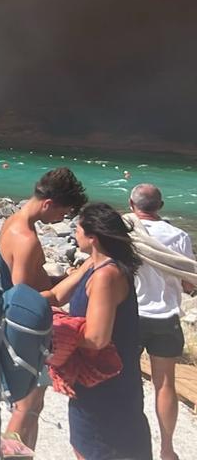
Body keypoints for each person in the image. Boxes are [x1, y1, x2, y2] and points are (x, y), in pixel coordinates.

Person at [42, 203, 151, 459]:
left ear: (93, 236)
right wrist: (18, 302)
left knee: (102, 449)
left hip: (107, 385)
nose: (74, 233)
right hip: (89, 381)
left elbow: (96, 337)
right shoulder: (93, 263)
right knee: (85, 444)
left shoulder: (106, 275)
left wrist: (54, 331)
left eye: (78, 228)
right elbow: (57, 295)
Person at [0, 167, 86, 452]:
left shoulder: (13, 222)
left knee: (33, 406)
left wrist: (56, 279)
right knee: (25, 406)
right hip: (28, 330)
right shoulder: (26, 239)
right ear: (48, 203)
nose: (62, 218)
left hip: (23, 326)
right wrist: (77, 277)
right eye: (63, 212)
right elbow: (23, 298)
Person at [128, 184, 194, 460]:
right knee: (165, 384)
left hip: (132, 316)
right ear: (161, 206)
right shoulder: (179, 236)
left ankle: (129, 441)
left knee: (128, 380)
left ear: (132, 205)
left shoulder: (125, 233)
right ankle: (167, 448)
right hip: (167, 318)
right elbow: (189, 280)